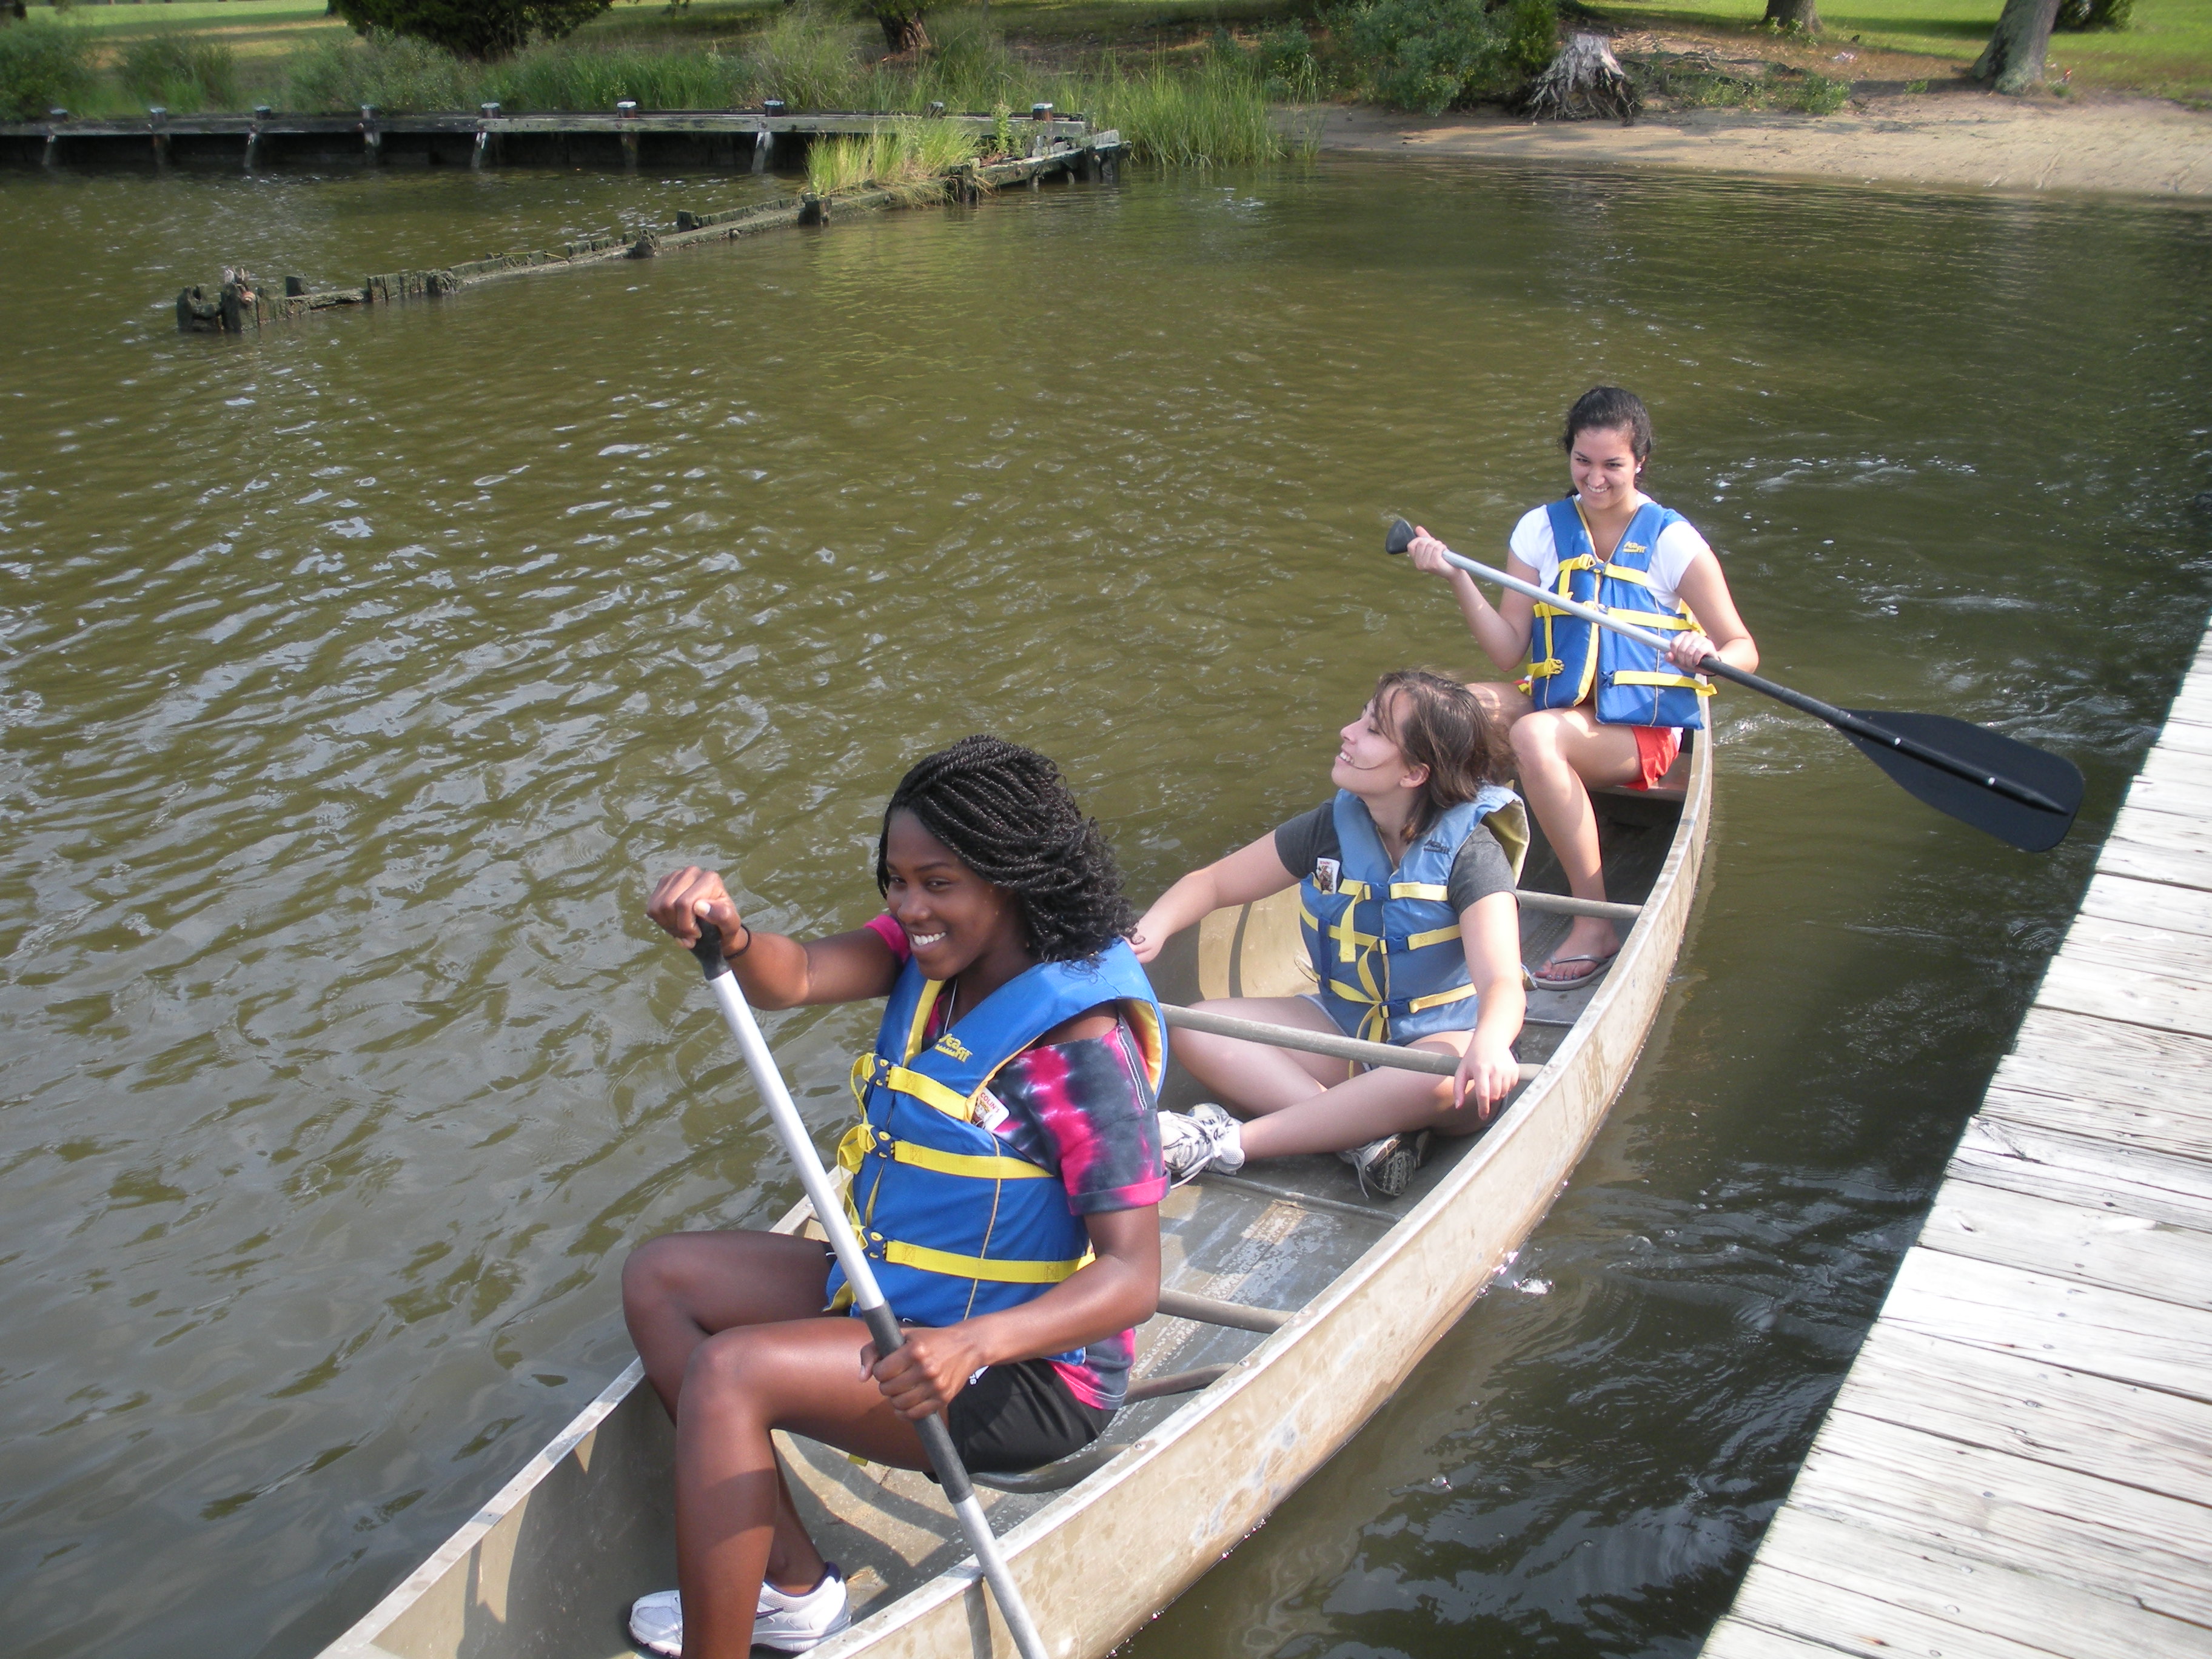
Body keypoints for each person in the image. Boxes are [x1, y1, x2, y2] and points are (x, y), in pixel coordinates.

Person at [623, 736, 1167, 1658]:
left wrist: (971, 1344)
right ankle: (793, 1593)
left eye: (938, 883)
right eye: (895, 880)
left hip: (1023, 1374)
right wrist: (733, 937)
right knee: (662, 1279)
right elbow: (790, 979)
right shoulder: (926, 957)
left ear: (1011, 878)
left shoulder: (1080, 1047)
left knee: (731, 1374)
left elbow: (1132, 1278)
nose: (909, 907)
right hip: (896, 1297)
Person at [1405, 385, 1758, 990]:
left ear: (1640, 460)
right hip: (1560, 704)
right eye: (1583, 462)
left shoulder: (1672, 541)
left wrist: (1708, 653)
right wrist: (1456, 576)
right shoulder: (1540, 530)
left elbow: (1743, 649)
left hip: (1638, 732)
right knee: (1438, 712)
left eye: (1613, 465)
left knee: (1536, 736)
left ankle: (1592, 921)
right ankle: (1428, 877)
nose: (1595, 479)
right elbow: (1509, 648)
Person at [1130, 670, 1527, 1199]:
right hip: (1345, 1027)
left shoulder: (1471, 854)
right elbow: (1213, 883)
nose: (1348, 732)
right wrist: (1150, 930)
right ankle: (1364, 1140)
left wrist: (1493, 1042)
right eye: (1362, 718)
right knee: (1198, 1029)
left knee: (1447, 1074)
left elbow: (1502, 981)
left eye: (1373, 730)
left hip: (1437, 1047)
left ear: (1414, 773)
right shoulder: (1332, 828)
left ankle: (1230, 1142)